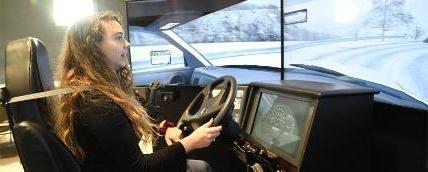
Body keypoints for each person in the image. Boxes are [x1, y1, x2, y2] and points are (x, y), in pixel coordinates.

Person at [55, 11, 222, 172]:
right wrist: (191, 142)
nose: (127, 44)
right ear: (93, 48)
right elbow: (139, 167)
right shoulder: (96, 102)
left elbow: (146, 113)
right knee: (201, 167)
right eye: (118, 38)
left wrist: (165, 129)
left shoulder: (112, 89)